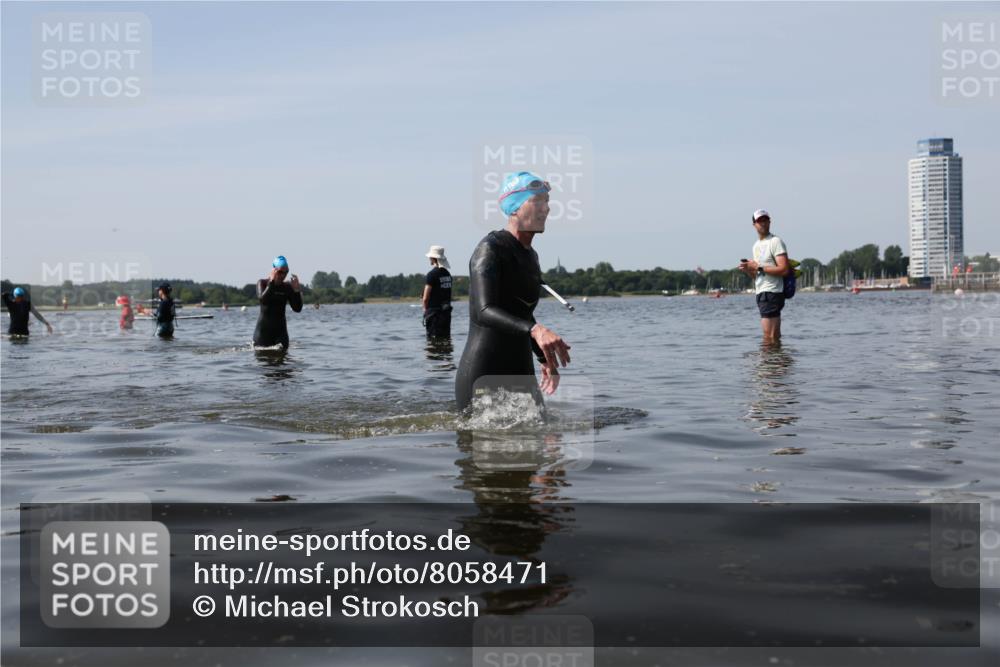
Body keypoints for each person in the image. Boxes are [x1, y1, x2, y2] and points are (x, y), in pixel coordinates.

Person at [455, 171, 572, 411]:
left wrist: (544, 358)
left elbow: (522, 314)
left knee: (542, 439)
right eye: (537, 201)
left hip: (520, 368)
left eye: (547, 202)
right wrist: (536, 330)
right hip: (484, 369)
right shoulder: (490, 249)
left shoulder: (531, 257)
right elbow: (484, 310)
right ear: (514, 208)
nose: (546, 209)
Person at [739, 209, 789, 344]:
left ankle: (770, 364)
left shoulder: (775, 241)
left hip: (772, 292)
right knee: (770, 336)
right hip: (761, 292)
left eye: (765, 220)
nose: (763, 223)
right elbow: (757, 275)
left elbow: (784, 269)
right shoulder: (756, 246)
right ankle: (773, 363)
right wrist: (749, 270)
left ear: (770, 222)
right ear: (754, 224)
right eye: (760, 221)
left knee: (770, 337)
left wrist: (758, 267)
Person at [253, 255, 303, 349]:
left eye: (286, 272)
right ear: (274, 270)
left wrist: (296, 291)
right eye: (280, 272)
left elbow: (297, 308)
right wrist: (271, 283)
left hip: (281, 334)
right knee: (263, 362)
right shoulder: (262, 283)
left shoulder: (287, 287)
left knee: (284, 362)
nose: (283, 275)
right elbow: (263, 300)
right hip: (263, 334)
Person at [422, 245, 453, 338]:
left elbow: (425, 298)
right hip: (446, 314)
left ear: (433, 258)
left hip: (434, 314)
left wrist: (425, 311)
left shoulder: (431, 275)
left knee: (433, 342)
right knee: (446, 340)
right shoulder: (447, 274)